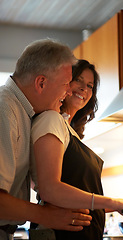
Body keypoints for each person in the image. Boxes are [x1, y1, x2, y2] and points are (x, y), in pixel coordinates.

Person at [31, 59, 123, 240]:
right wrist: (113, 202)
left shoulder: (70, 132)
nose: (84, 88)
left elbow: (79, 195)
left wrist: (120, 206)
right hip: (60, 234)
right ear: (65, 83)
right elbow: (50, 190)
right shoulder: (51, 120)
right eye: (78, 80)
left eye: (90, 85)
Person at [0, 41, 92, 240]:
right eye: (66, 83)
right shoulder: (4, 109)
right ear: (41, 83)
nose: (69, 92)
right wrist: (47, 216)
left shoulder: (23, 113)